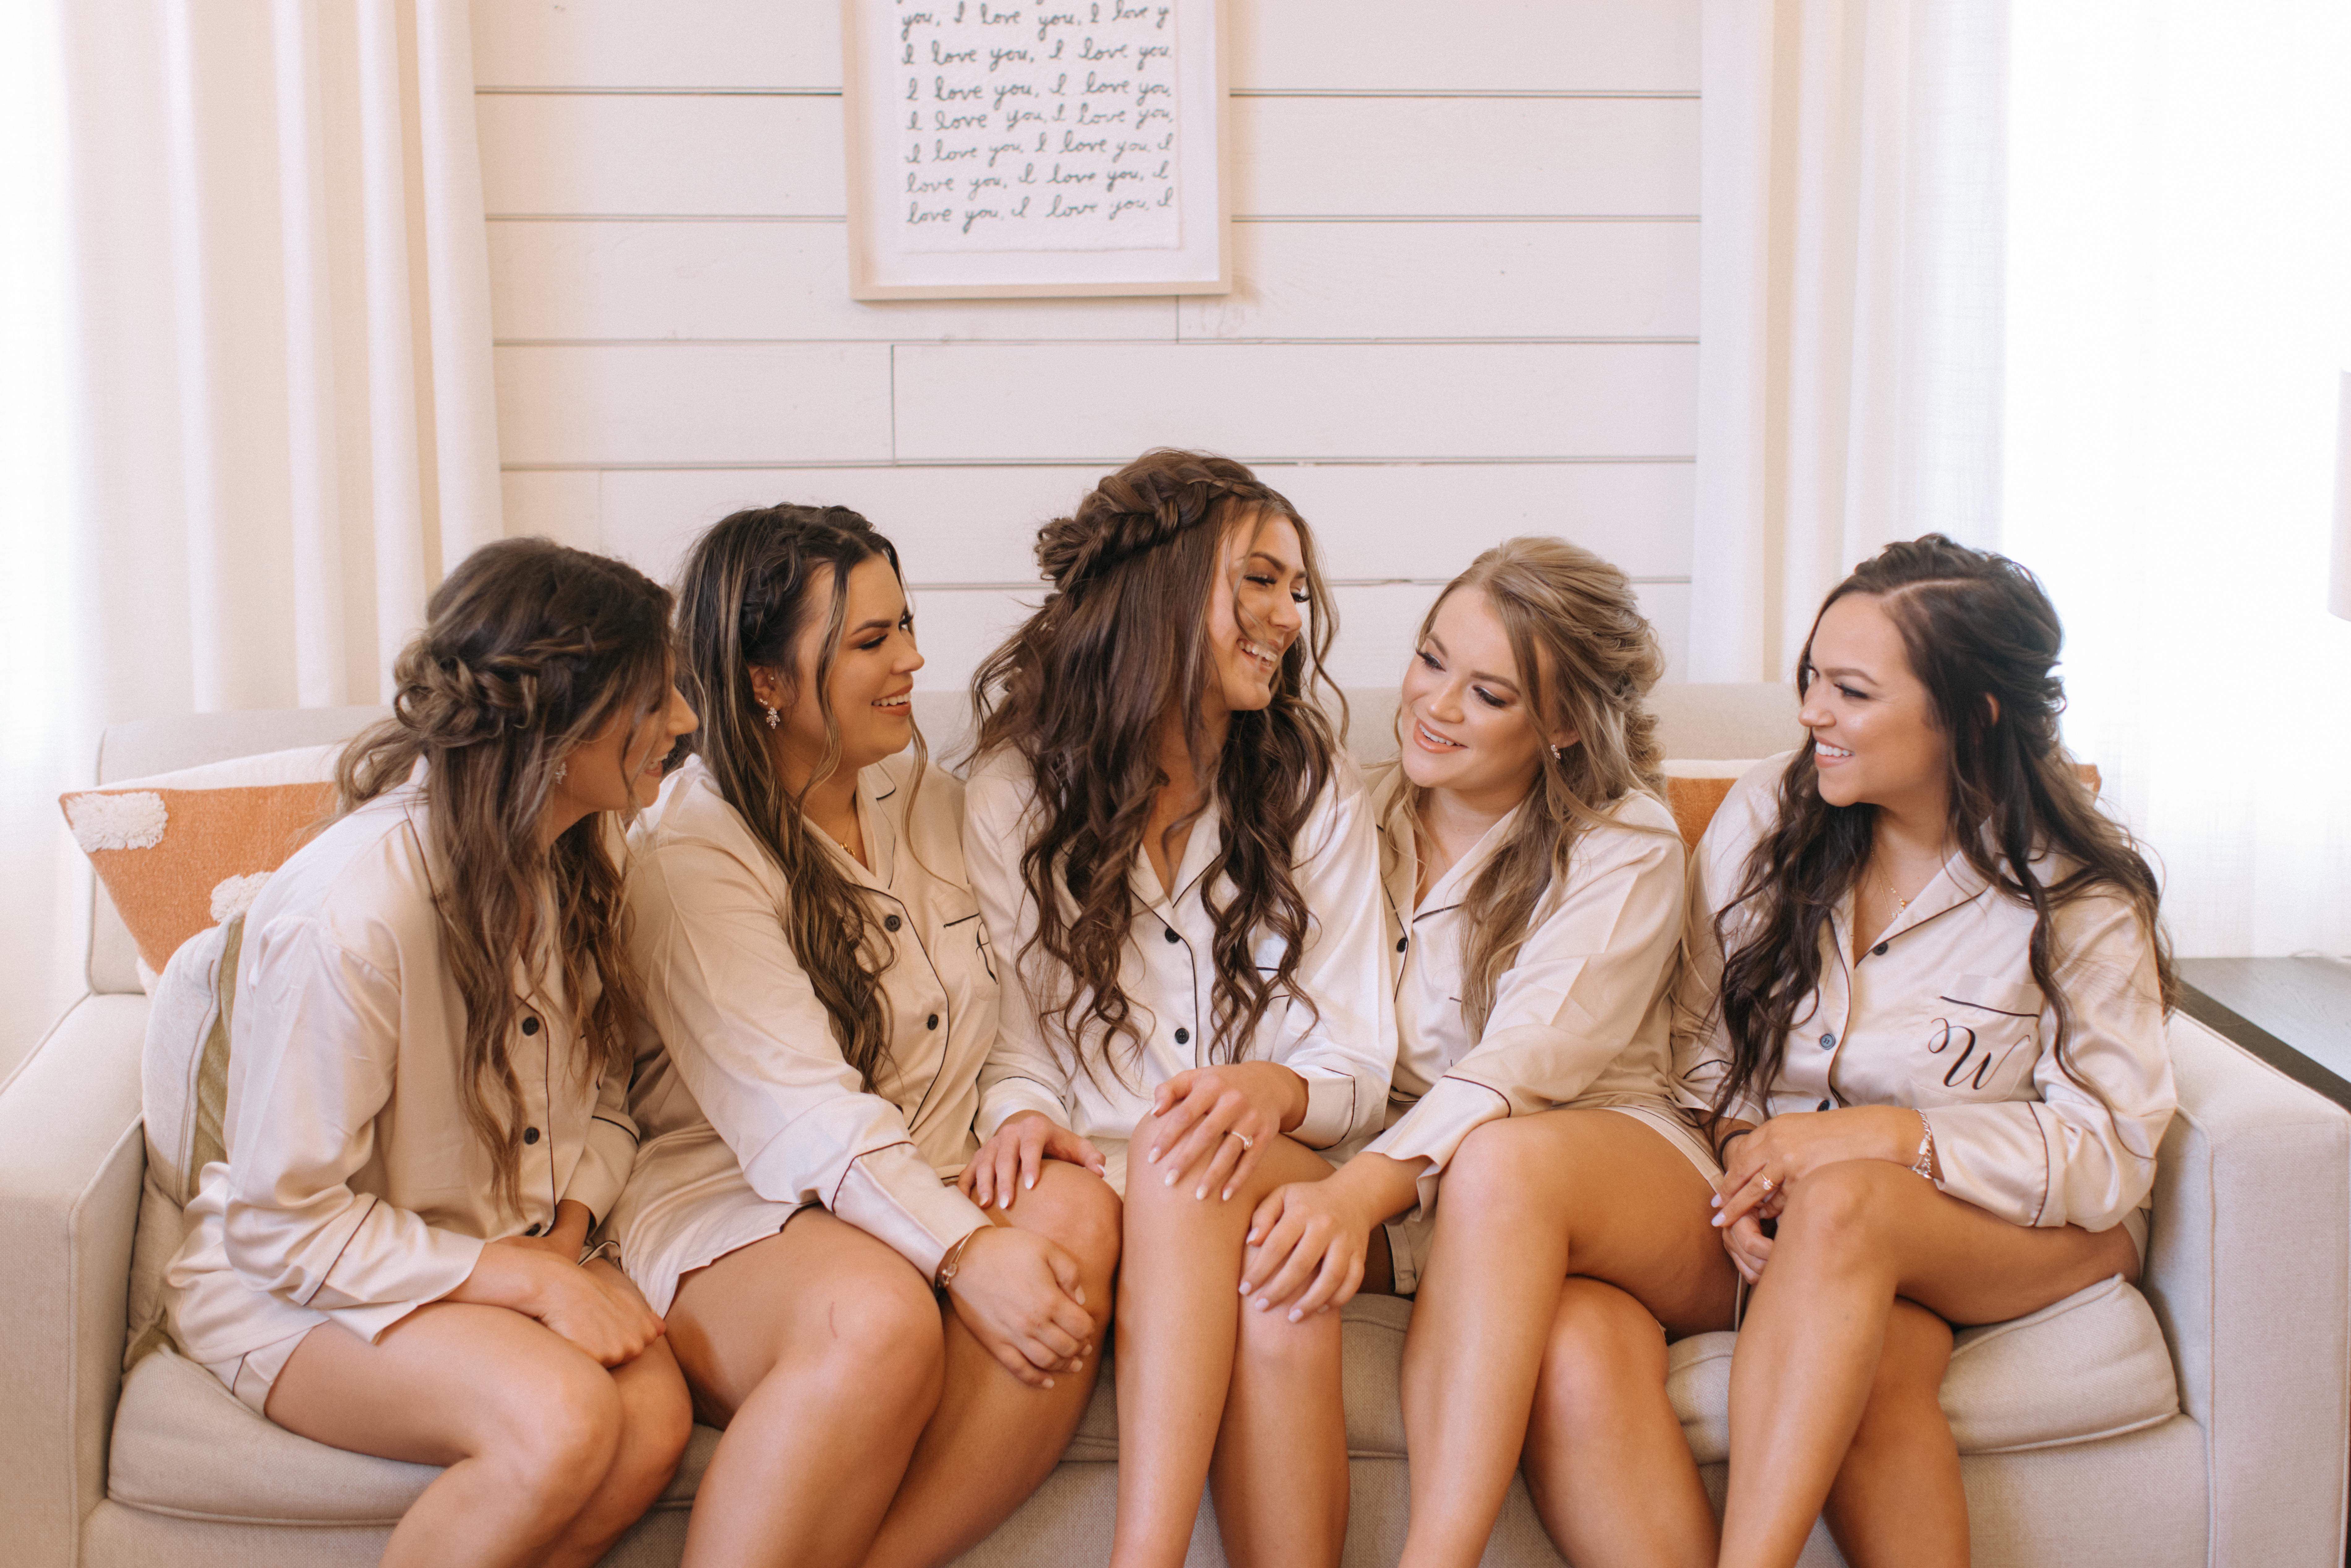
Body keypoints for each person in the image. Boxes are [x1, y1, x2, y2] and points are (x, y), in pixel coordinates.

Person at [163, 538, 698, 1568]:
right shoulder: (354, 914)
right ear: (562, 716)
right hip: (294, 1287)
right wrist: (524, 1281)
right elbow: (281, 1227)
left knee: (651, 1424)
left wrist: (565, 1238)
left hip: (508, 1248)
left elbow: (608, 1092)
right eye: (655, 696)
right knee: (564, 1419)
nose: (682, 721)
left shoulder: (582, 855)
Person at [604, 505, 1120, 1568]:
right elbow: (804, 1119)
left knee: (1075, 1208)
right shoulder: (691, 858)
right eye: (870, 641)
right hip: (746, 1200)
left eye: (906, 626)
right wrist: (968, 1249)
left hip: (926, 1161)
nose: (913, 661)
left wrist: (1019, 1109)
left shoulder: (924, 794)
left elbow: (1009, 1011)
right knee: (879, 1318)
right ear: (765, 680)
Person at [1684, 534, 2176, 1567]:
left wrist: (1884, 1136)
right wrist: (1745, 1152)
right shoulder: (1767, 813)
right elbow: (1694, 1043)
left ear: (1972, 714)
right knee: (1880, 1361)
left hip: (2024, 1231)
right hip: (1827, 1233)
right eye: (1811, 677)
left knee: (1846, 1201)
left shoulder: (2076, 893)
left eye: (1852, 691)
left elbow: (2110, 1149)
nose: (1811, 712)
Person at [1235, 536, 1714, 1568]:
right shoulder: (1346, 814)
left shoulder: (1622, 840)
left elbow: (1527, 1061)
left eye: (1488, 694)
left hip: (1610, 1164)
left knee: (1502, 1162)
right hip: (1434, 1199)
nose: (1435, 705)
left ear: (1562, 725)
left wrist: (1355, 1195)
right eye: (1430, 658)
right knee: (1580, 1350)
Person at [958, 450, 1393, 1568]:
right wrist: (1017, 1114)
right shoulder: (1012, 794)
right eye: (1259, 581)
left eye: (1296, 590)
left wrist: (1270, 1090)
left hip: (1276, 1162)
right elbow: (1009, 1044)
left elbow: (1359, 1062)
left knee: (1186, 1153)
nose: (1288, 617)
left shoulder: (1311, 786)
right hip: (1099, 1179)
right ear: (1163, 590)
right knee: (1268, 1294)